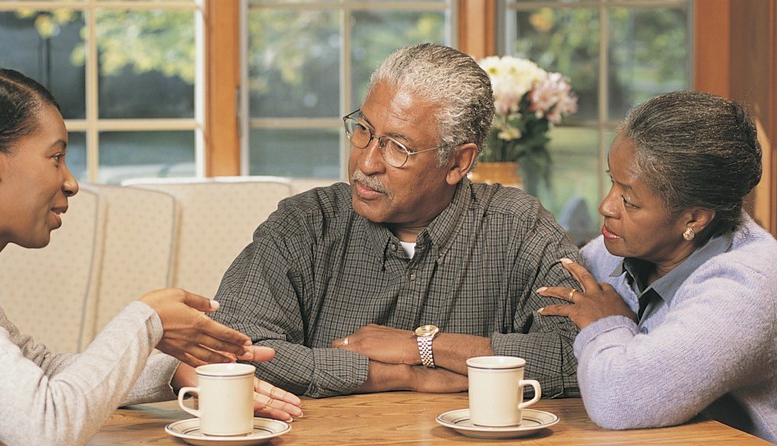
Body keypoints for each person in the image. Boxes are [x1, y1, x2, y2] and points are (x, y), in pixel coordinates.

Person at [0, 66, 302, 445]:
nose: (71, 182)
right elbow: (43, 427)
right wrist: (147, 320)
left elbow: (37, 370)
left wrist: (176, 372)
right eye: (56, 157)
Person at [212, 43, 582, 398]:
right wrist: (396, 375)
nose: (366, 163)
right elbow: (227, 349)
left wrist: (423, 346)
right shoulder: (304, 225)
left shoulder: (520, 228)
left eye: (398, 147)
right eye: (363, 130)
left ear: (457, 162)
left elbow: (581, 356)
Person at [536, 91, 777, 442]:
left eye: (629, 201)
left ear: (693, 218)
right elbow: (537, 331)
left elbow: (617, 400)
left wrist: (606, 323)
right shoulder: (617, 253)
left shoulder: (747, 286)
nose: (605, 206)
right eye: (611, 180)